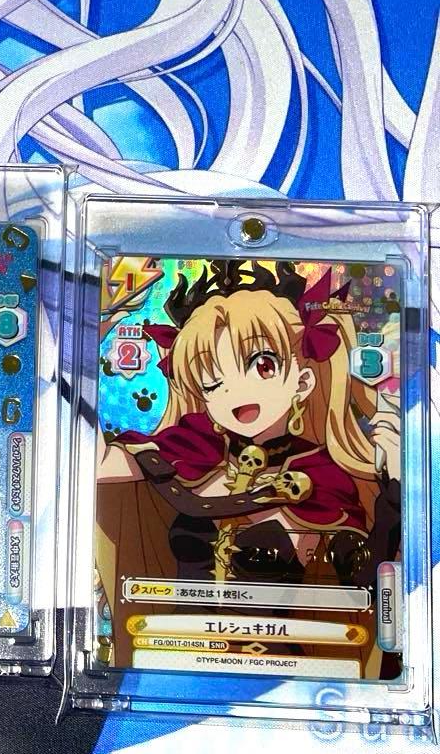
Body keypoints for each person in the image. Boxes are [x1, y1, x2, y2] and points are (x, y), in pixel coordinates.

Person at [96, 259, 401, 677]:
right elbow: (94, 469)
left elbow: (361, 586)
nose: (235, 391)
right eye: (212, 380)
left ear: (303, 381)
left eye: (262, 365)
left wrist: (393, 494)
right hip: (177, 662)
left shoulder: (323, 474)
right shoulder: (192, 447)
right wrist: (91, 331)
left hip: (282, 673)